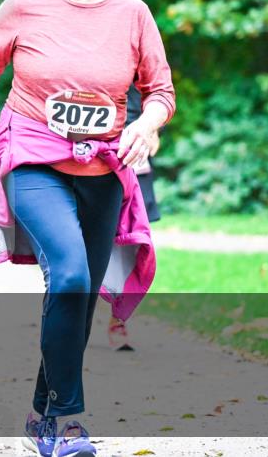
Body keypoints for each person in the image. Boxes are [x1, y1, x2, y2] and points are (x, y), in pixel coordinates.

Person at [0, 0, 175, 456]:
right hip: (32, 157)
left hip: (103, 168)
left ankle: (41, 418)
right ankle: (70, 422)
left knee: (77, 297)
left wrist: (144, 125)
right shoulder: (25, 4)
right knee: (72, 275)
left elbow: (160, 92)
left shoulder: (132, 12)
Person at [107, 84, 163, 352]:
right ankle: (70, 310)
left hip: (132, 139)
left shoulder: (140, 41)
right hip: (86, 142)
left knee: (130, 239)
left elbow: (155, 86)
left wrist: (151, 127)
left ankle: (118, 319)